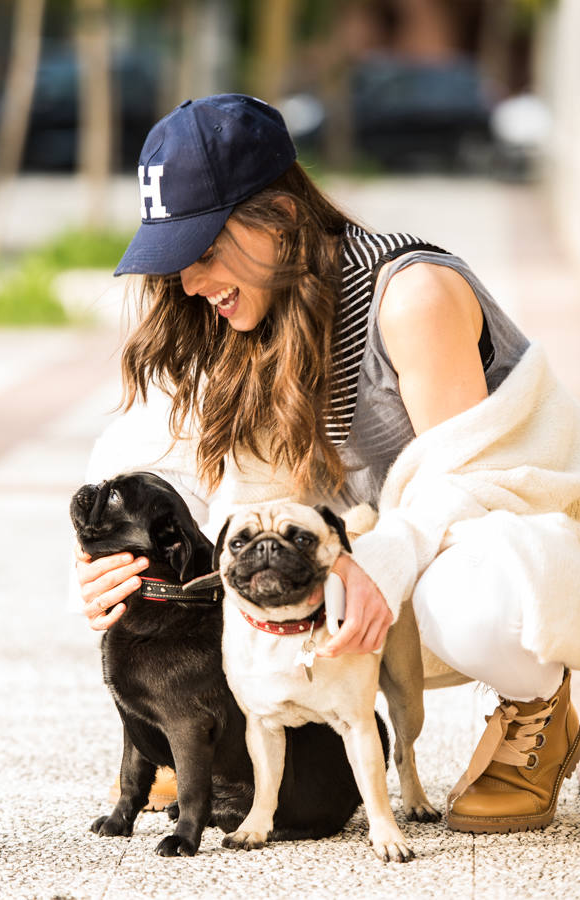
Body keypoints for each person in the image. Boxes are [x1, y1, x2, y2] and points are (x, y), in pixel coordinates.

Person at [75, 93, 580, 833]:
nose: (187, 281)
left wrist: (360, 558)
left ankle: (537, 707)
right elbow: (167, 461)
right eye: (175, 258)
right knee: (173, 555)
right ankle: (208, 746)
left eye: (205, 249)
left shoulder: (409, 295)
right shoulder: (241, 316)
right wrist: (110, 565)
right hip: (355, 569)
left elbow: (464, 487)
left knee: (471, 595)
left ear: (278, 219)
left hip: (500, 551)